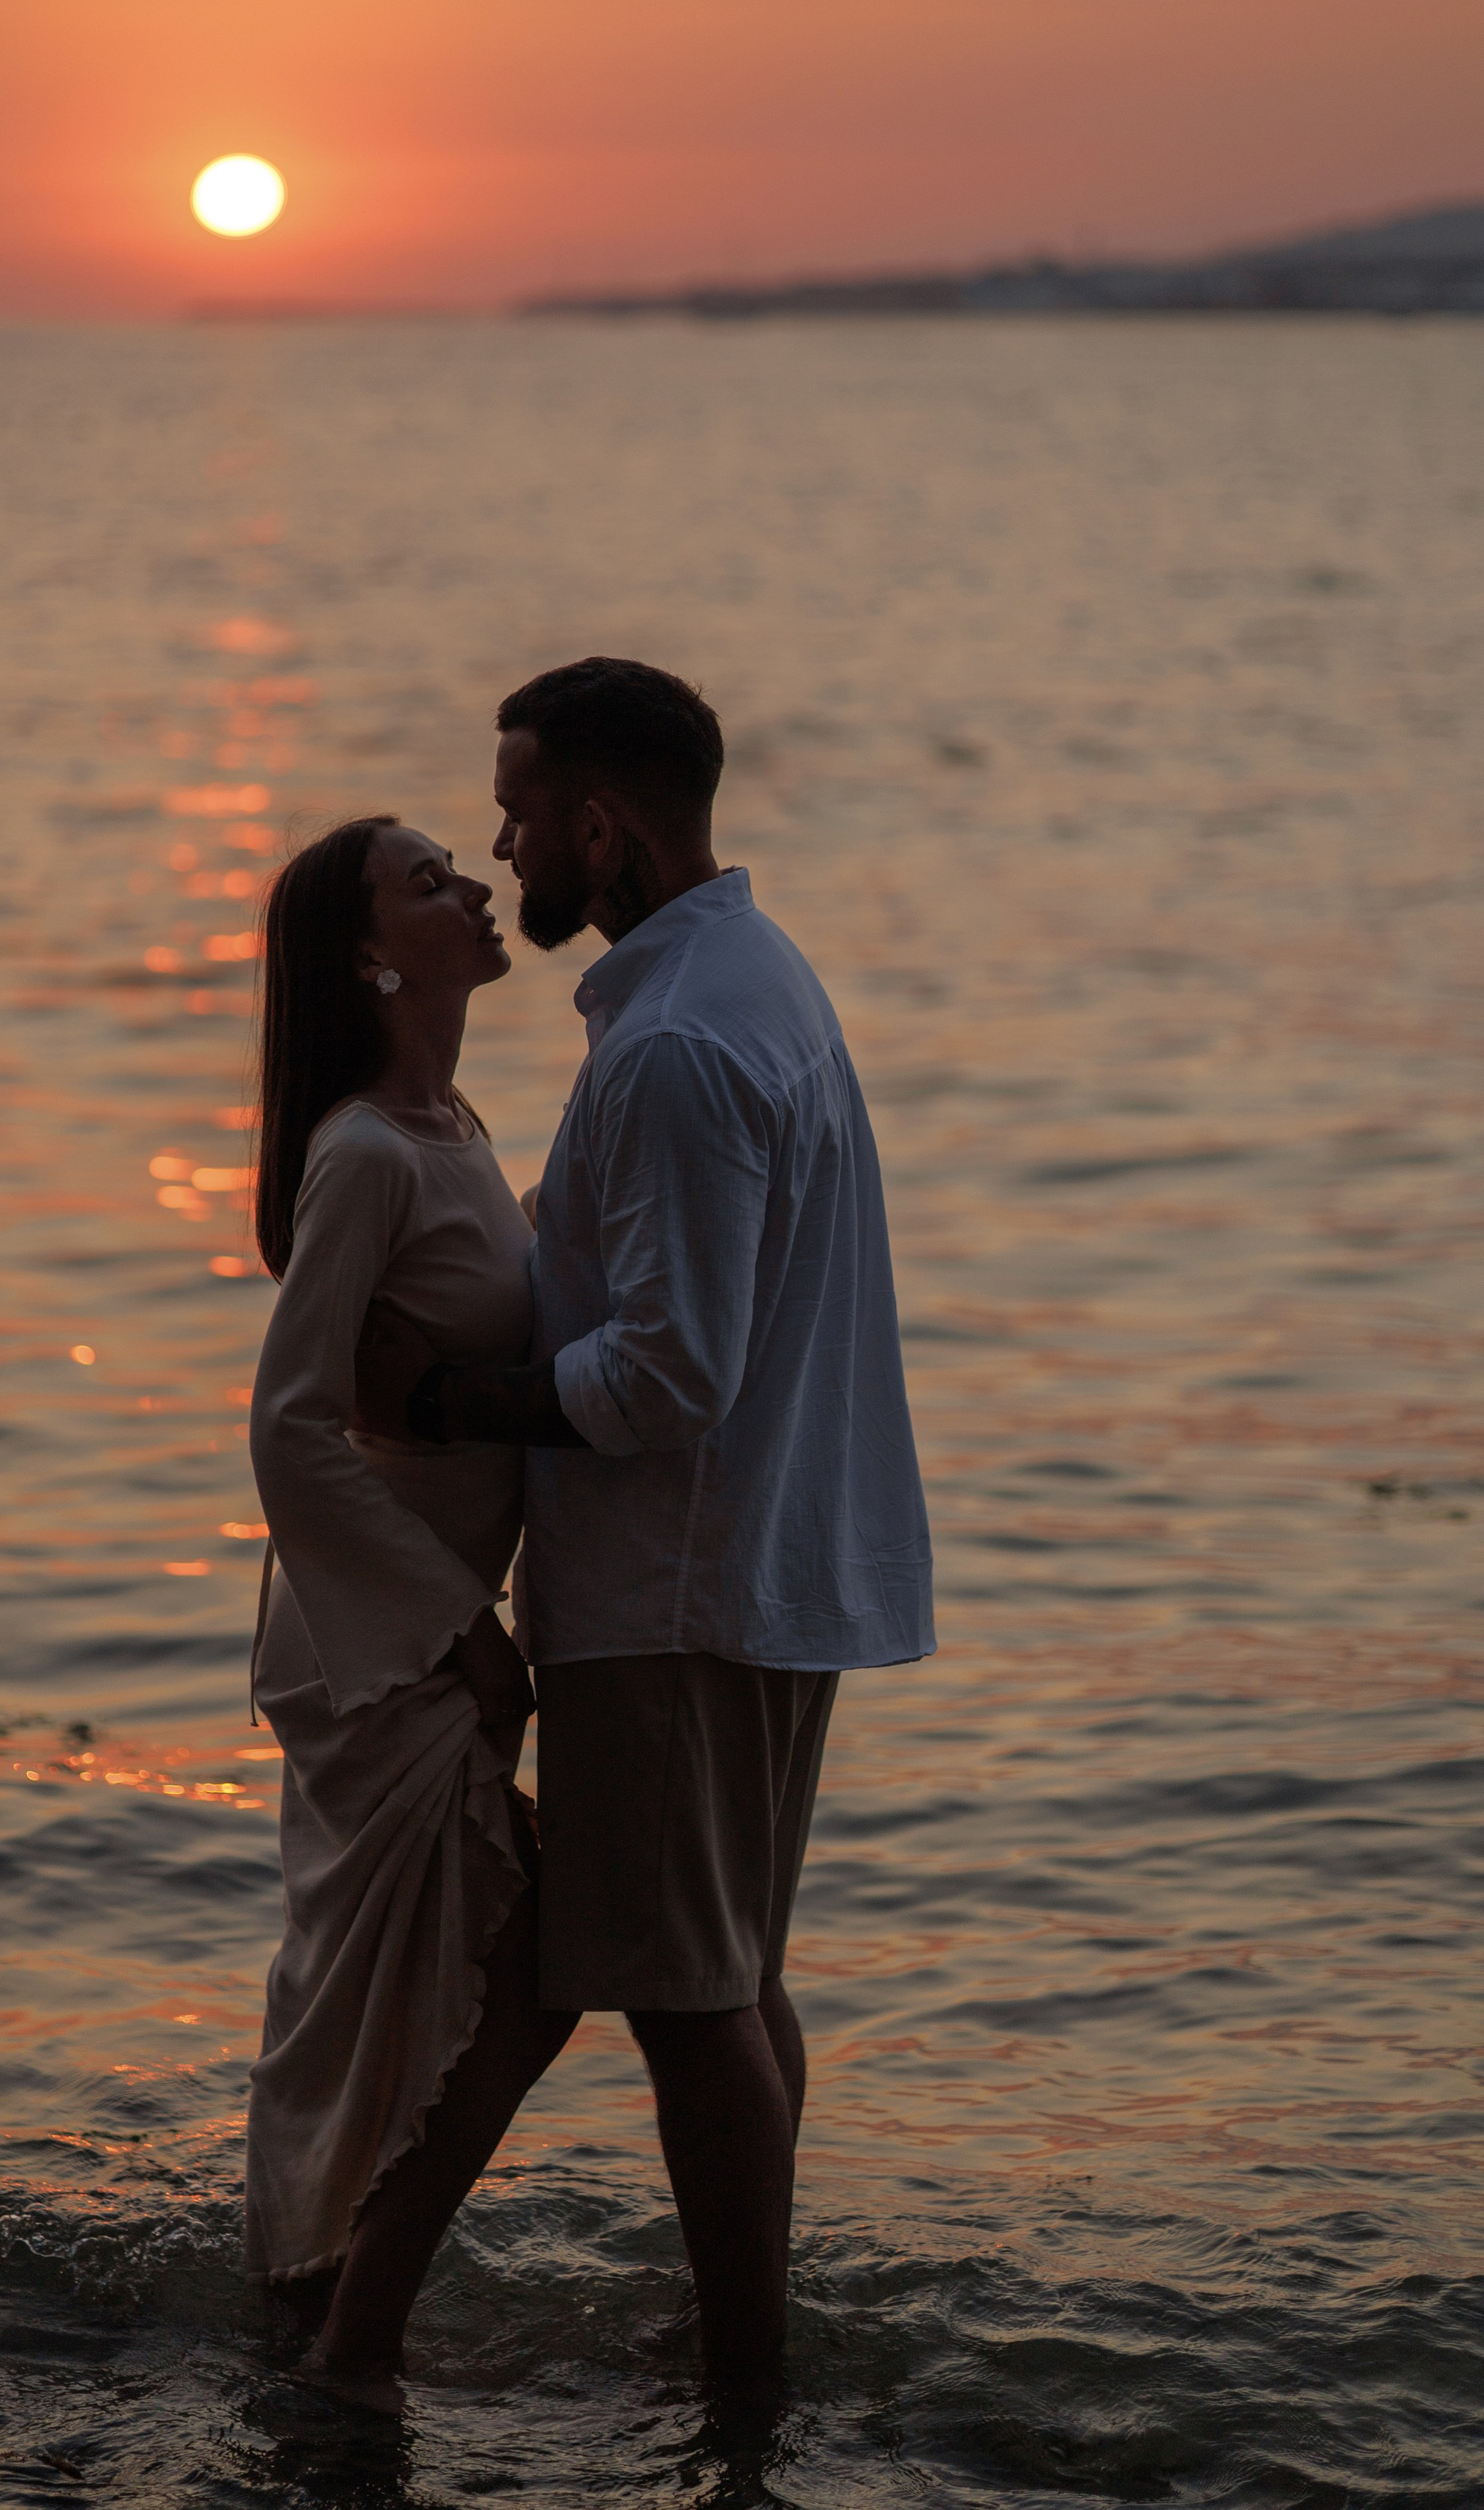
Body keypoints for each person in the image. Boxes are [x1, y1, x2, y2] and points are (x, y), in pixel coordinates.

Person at [357, 657, 934, 2404]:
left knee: (693, 2008)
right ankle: (717, 2353)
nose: (503, 841)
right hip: (750, 1568)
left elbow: (670, 1372)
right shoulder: (743, 984)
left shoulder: (679, 1043)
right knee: (724, 1979)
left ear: (600, 825)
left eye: (520, 810)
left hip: (674, 1585)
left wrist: (450, 1409)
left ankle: (742, 2394)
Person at [243, 813, 575, 2414]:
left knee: (406, 1988)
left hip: (432, 1634)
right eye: (427, 880)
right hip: (385, 1647)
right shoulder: (367, 1150)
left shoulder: (453, 1124)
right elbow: (290, 1423)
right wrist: (460, 1630)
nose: (474, 887)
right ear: (370, 956)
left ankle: (321, 2302)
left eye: (462, 864)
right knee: (497, 1962)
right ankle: (347, 2331)